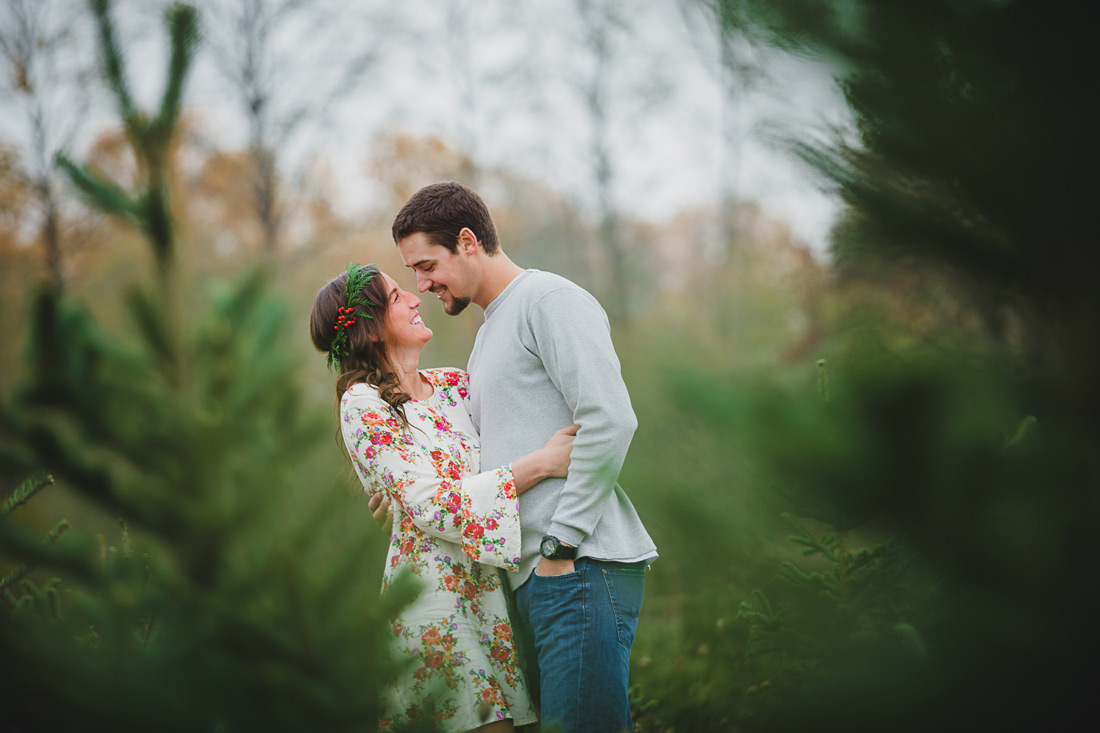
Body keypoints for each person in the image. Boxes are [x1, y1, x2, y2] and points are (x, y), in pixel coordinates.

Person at [386, 181, 658, 733]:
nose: (422, 284)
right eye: (412, 271)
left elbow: (610, 420)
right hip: (534, 577)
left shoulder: (549, 301)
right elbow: (475, 451)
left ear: (467, 241)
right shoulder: (488, 336)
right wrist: (396, 483)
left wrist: (562, 544)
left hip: (580, 565)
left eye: (427, 264)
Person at [309, 263, 579, 733]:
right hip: (433, 602)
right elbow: (434, 504)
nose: (416, 298)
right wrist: (545, 462)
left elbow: (497, 455)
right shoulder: (362, 404)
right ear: (370, 330)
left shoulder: (456, 385)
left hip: (495, 593)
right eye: (397, 297)